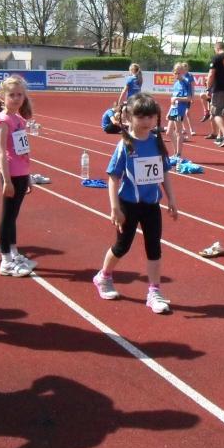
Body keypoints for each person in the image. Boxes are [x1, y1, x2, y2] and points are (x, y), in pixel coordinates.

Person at [92, 93, 178, 314]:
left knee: (154, 248)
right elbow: (113, 177)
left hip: (151, 205)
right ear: (129, 117)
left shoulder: (157, 142)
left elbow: (164, 173)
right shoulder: (125, 145)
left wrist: (171, 199)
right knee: (122, 246)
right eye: (141, 117)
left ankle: (154, 292)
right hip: (128, 205)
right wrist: (115, 208)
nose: (147, 121)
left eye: (151, 116)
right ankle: (104, 276)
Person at [0, 75, 38, 277]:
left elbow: (22, 150)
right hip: (11, 175)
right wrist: (7, 180)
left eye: (20, 95)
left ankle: (14, 253)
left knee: (13, 217)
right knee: (7, 217)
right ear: (2, 97)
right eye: (12, 95)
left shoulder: (19, 119)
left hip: (21, 173)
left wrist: (28, 175)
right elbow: (1, 152)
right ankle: (6, 261)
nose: (17, 98)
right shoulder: (3, 120)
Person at [167, 63, 190, 159]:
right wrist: (169, 111)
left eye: (178, 73)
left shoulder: (185, 83)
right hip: (173, 109)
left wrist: (177, 98)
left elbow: (189, 98)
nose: (176, 75)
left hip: (179, 110)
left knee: (178, 132)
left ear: (183, 73)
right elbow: (173, 100)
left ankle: (178, 154)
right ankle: (176, 152)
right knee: (168, 132)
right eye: (175, 73)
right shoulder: (176, 84)